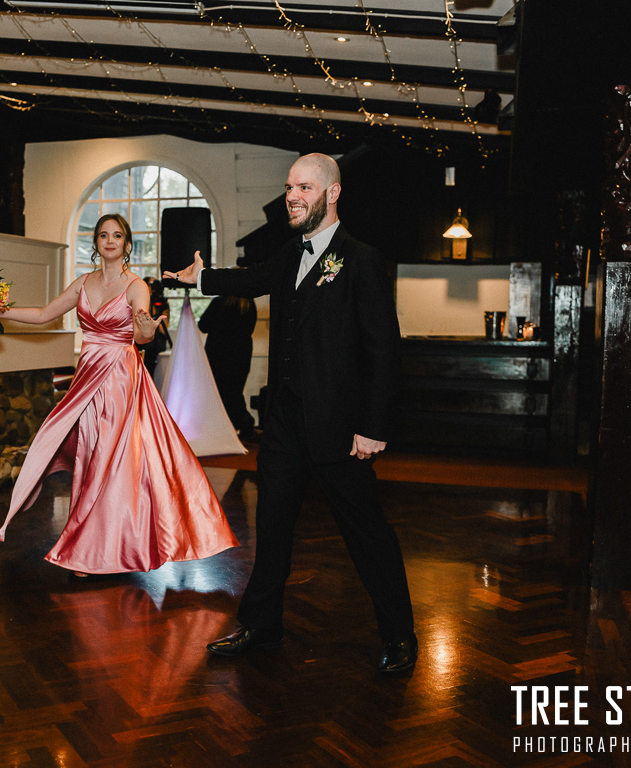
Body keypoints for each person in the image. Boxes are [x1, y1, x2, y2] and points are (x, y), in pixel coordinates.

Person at [164, 153, 417, 674]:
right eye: (288, 187)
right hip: (283, 426)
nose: (292, 197)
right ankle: (262, 626)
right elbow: (252, 279)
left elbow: (383, 350)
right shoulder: (289, 253)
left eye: (304, 187)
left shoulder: (361, 259)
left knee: (367, 533)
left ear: (333, 193)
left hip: (340, 430)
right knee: (273, 528)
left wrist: (373, 427)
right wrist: (202, 276)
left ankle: (399, 635)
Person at [0, 213, 238, 576]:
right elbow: (45, 314)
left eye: (117, 235)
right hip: (86, 380)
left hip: (120, 380)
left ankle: (90, 551)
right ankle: (94, 546)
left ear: (127, 244)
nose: (110, 241)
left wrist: (146, 331)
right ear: (96, 242)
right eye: (104, 235)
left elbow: (141, 335)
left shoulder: (136, 286)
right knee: (91, 458)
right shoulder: (83, 283)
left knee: (109, 460)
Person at [198, 293, 257, 441]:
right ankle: (242, 424)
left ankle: (231, 425)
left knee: (218, 392)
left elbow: (203, 325)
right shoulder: (248, 304)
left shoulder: (219, 302)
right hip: (241, 354)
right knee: (235, 391)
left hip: (218, 353)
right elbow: (250, 328)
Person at [136, 276, 171, 378]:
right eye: (151, 285)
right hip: (142, 340)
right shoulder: (139, 302)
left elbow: (164, 329)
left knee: (151, 347)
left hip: (157, 341)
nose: (153, 288)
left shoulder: (163, 303)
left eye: (155, 284)